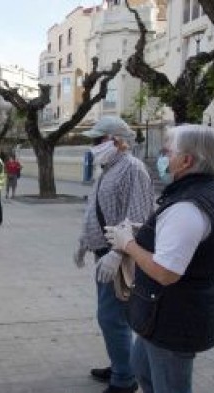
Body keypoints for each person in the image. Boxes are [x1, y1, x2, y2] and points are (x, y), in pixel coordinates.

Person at [104, 125, 214, 393]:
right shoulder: (205, 191)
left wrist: (126, 244)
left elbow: (166, 272)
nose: (162, 158)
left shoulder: (188, 206)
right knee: (143, 371)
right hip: (162, 314)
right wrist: (142, 233)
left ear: (186, 160)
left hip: (174, 316)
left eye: (167, 152)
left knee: (169, 386)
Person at [74, 116, 154, 393]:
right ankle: (122, 364)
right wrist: (84, 242)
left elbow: (139, 218)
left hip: (119, 256)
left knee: (112, 317)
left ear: (119, 141)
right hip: (103, 253)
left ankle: (124, 378)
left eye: (99, 140)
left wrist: (117, 253)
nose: (95, 145)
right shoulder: (107, 168)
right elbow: (96, 210)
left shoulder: (133, 169)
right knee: (110, 316)